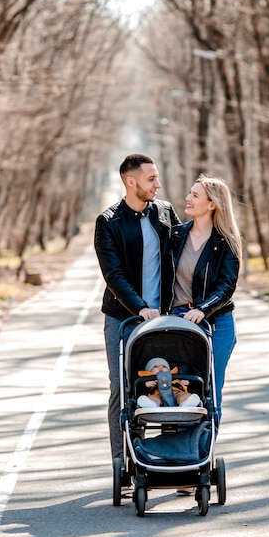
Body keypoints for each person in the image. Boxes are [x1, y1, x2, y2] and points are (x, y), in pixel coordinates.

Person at [94, 153, 181, 467]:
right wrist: (141, 308)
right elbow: (113, 275)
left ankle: (175, 454)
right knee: (121, 386)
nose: (158, 184)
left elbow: (184, 255)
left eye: (157, 178)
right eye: (151, 179)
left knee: (169, 383)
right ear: (131, 182)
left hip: (165, 319)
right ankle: (123, 457)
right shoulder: (108, 221)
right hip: (122, 317)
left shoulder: (166, 213)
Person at [169, 174, 242, 420]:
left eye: (195, 195)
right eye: (189, 193)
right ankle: (179, 449)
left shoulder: (226, 243)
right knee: (182, 385)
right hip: (179, 320)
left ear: (212, 204)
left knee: (210, 389)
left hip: (217, 322)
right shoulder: (176, 236)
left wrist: (203, 309)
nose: (187, 198)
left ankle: (204, 451)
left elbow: (226, 286)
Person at [136, 358, 201, 408]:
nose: (160, 368)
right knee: (154, 398)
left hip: (176, 392)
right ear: (149, 371)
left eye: (164, 366)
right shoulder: (147, 380)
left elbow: (195, 386)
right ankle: (150, 404)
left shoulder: (176, 377)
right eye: (155, 366)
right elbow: (138, 391)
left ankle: (188, 402)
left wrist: (188, 383)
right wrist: (144, 385)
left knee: (183, 395)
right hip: (157, 393)